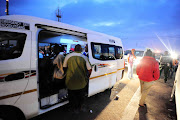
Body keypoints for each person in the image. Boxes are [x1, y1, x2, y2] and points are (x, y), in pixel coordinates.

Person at [63, 44, 92, 113]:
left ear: (74, 49)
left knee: (72, 96)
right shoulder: (84, 57)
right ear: (81, 49)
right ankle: (79, 107)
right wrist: (88, 76)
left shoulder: (68, 56)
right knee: (80, 96)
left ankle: (73, 108)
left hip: (70, 81)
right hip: (81, 82)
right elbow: (90, 69)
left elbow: (64, 67)